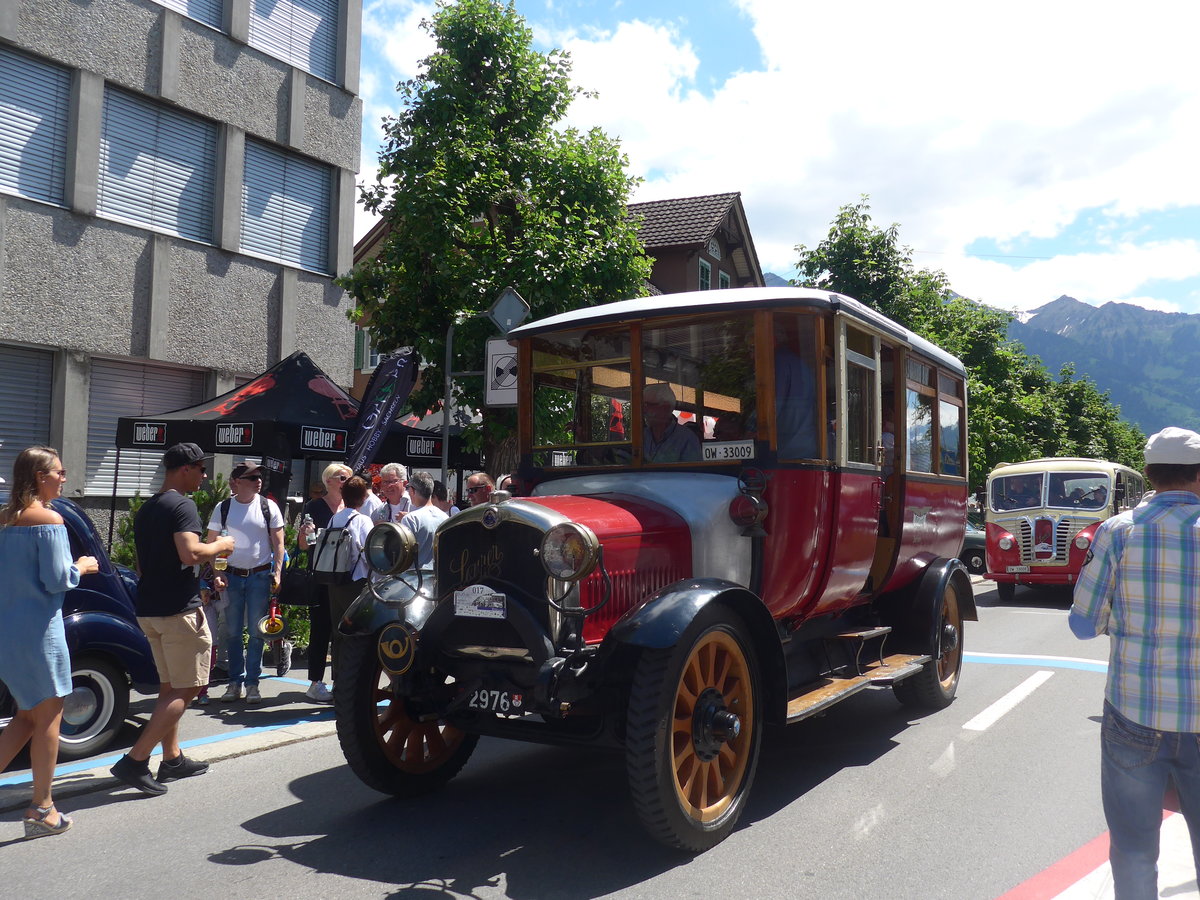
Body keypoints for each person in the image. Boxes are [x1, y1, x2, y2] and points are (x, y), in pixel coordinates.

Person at [1069, 426, 1200, 898]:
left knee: (1134, 849)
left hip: (1133, 714)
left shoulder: (1117, 532)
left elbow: (1082, 624)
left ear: (1149, 474)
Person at [110, 442, 234, 796]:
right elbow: (191, 552)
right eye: (201, 469)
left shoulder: (148, 509)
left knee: (170, 685)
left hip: (150, 608)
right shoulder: (183, 505)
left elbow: (141, 565)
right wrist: (221, 547)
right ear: (185, 469)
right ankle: (135, 761)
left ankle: (173, 758)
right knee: (188, 687)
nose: (205, 476)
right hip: (179, 610)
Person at [0, 447, 98, 838]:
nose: (64, 477)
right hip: (40, 631)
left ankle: (42, 807)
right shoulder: (49, 519)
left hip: (9, 632)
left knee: (26, 717)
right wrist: (82, 566)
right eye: (59, 471)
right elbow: (58, 579)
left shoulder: (5, 520)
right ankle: (42, 808)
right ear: (41, 477)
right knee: (47, 719)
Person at [206, 462, 285, 705]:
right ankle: (234, 682)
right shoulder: (224, 507)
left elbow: (279, 543)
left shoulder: (267, 506)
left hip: (260, 576)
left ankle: (252, 684)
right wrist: (217, 572)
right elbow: (212, 543)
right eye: (252, 477)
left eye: (259, 476)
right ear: (237, 481)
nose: (258, 481)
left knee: (255, 632)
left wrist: (278, 572)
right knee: (232, 632)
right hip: (231, 577)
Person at [296, 463, 351, 703]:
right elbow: (303, 545)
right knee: (320, 628)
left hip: (344, 575)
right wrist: (306, 533)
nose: (346, 481)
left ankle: (341, 679)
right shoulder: (314, 506)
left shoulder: (350, 507)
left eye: (349, 478)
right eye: (342, 477)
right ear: (329, 480)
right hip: (320, 573)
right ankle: (316, 682)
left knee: (343, 629)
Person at [324, 476, 372, 681]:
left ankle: (338, 681)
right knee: (358, 633)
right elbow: (370, 552)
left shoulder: (335, 518)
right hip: (356, 582)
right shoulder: (363, 520)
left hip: (335, 580)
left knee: (338, 633)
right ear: (362, 498)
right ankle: (355, 683)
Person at [642, 382, 701, 463]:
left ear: (665, 407)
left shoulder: (687, 439)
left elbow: (693, 474)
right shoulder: (641, 437)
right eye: (642, 405)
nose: (644, 410)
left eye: (648, 405)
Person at [400, 471, 448, 569]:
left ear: (412, 490)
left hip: (415, 577)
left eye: (409, 489)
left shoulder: (410, 519)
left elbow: (403, 553)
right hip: (437, 576)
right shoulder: (445, 517)